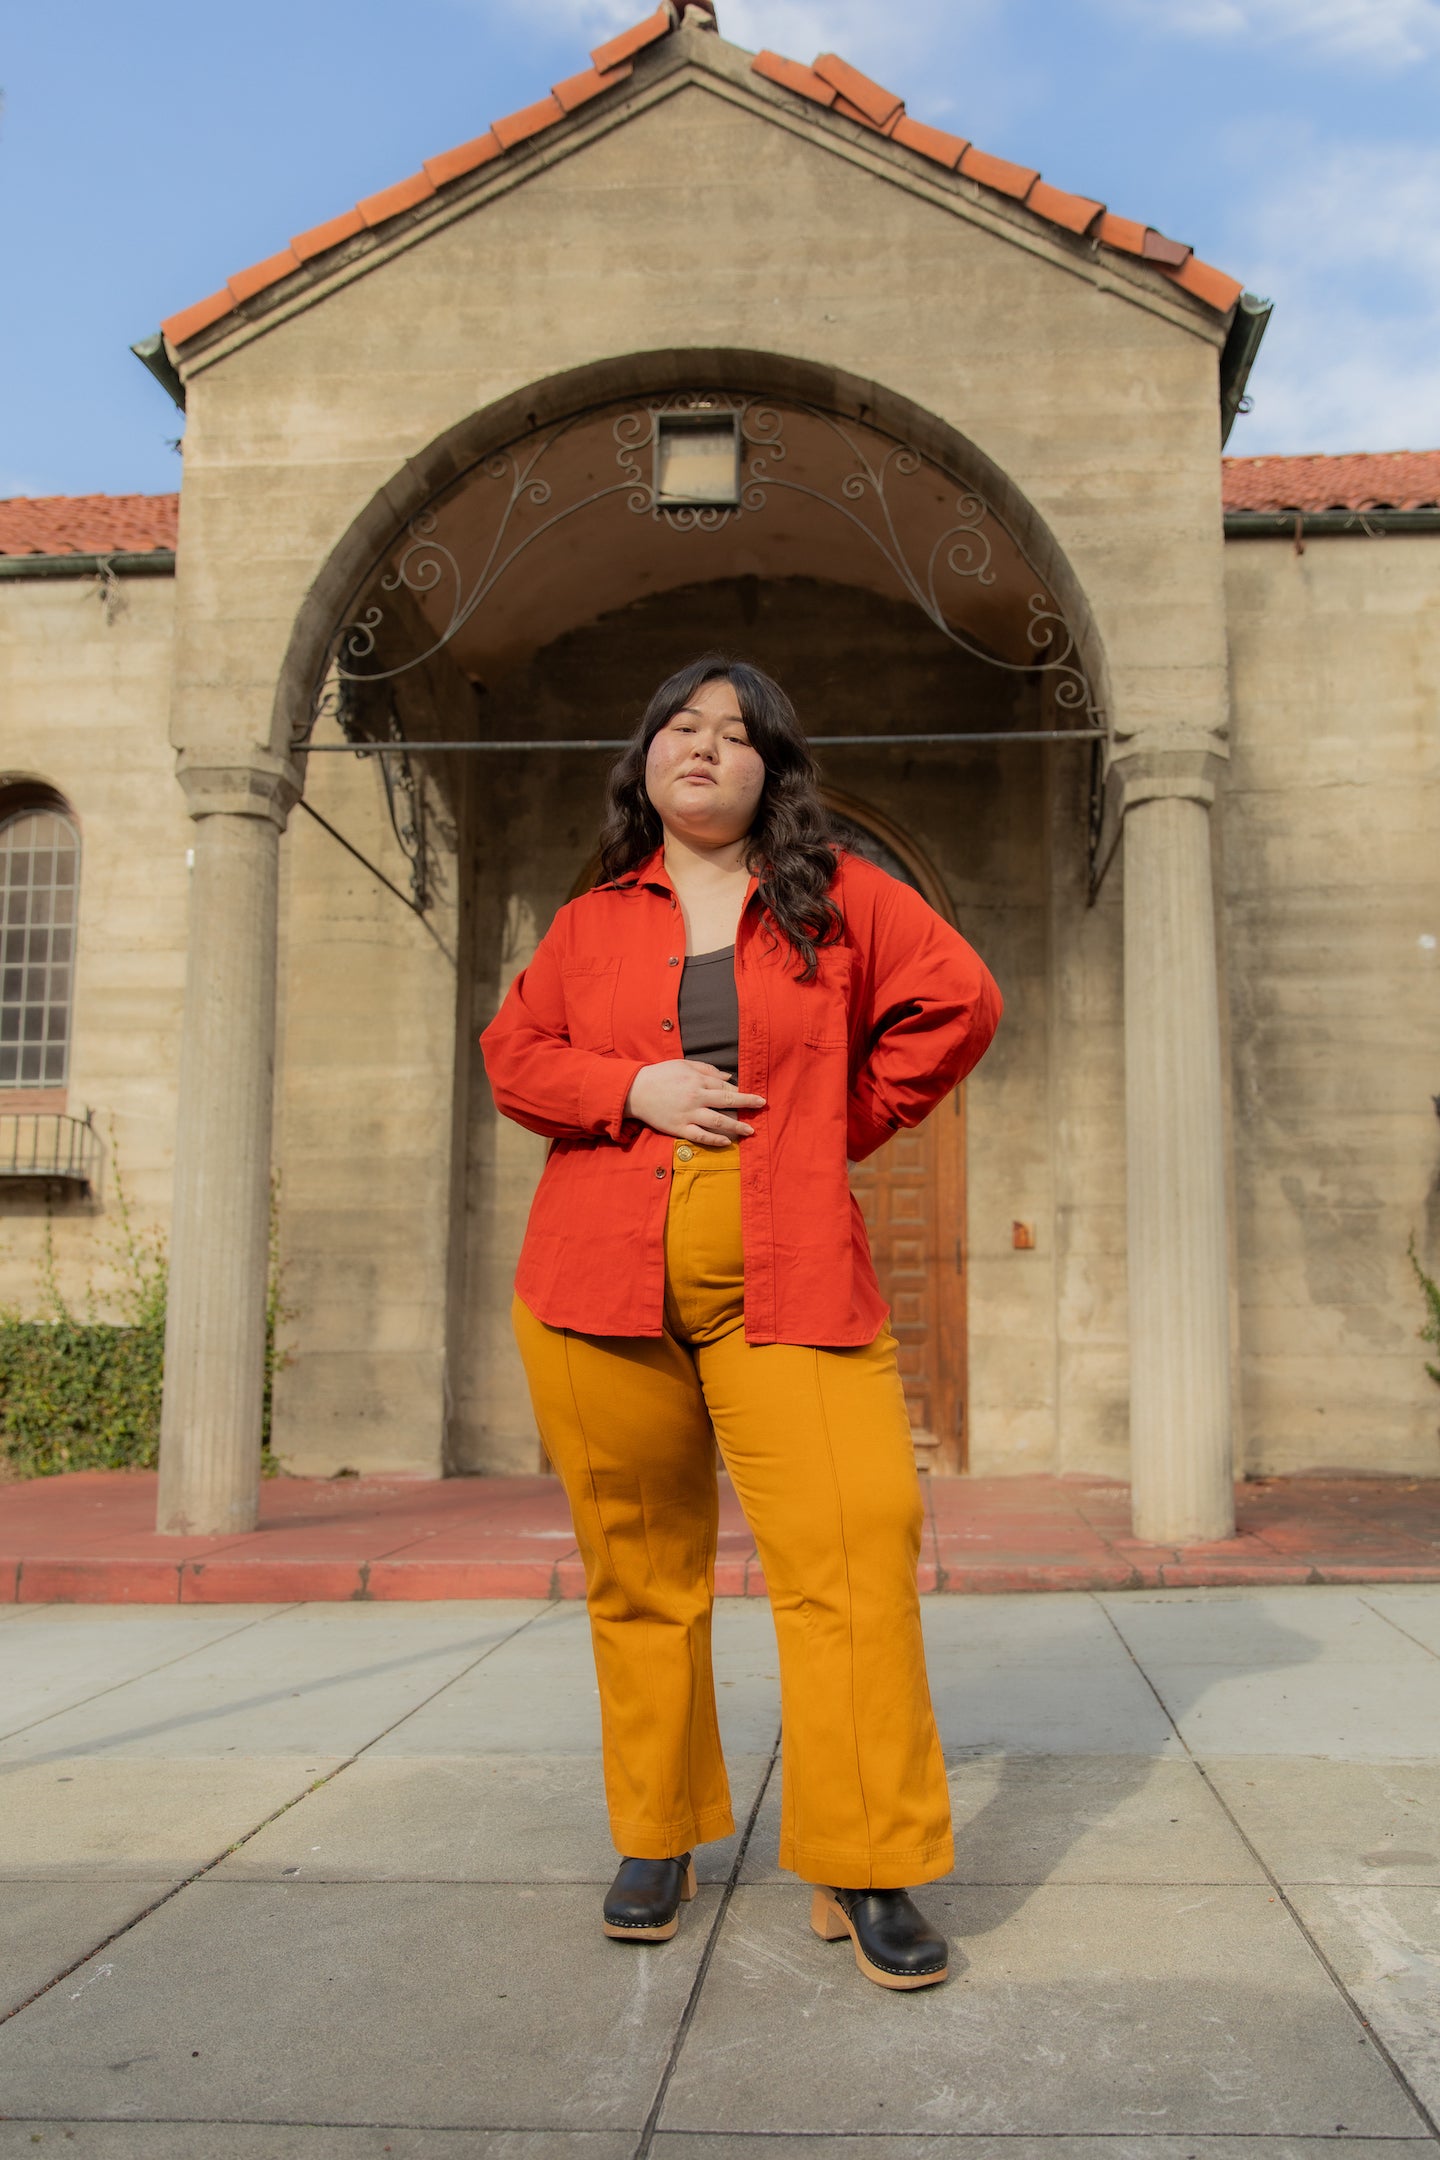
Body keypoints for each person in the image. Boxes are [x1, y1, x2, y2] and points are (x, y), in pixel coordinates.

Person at [480, 655, 1002, 1992]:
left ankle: (864, 1858)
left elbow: (962, 1005)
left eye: (735, 732)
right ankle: (657, 1833)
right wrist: (632, 1087)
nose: (704, 746)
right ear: (646, 758)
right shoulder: (590, 921)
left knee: (855, 1547)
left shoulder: (843, 904)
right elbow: (514, 1057)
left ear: (773, 770)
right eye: (681, 726)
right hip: (595, 1278)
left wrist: (835, 1129)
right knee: (641, 1572)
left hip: (792, 1269)